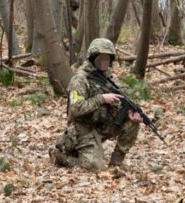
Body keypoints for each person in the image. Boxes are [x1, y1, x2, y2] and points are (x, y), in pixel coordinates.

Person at [49, 37, 141, 172]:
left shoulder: (108, 80)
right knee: (96, 167)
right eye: (101, 57)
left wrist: (128, 115)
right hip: (82, 129)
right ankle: (58, 155)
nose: (105, 61)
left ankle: (116, 163)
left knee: (132, 123)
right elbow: (76, 109)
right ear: (92, 58)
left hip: (101, 125)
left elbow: (117, 106)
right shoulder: (80, 80)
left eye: (108, 57)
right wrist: (101, 99)